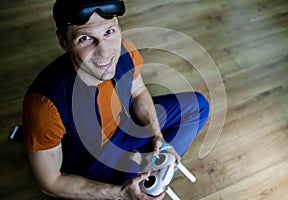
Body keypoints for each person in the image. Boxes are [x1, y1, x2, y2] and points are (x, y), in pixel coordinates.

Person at [22, 0, 210, 199]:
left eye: (109, 32)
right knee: (129, 175)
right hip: (92, 157)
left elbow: (138, 92)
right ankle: (137, 182)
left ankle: (155, 170)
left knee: (197, 106)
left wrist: (158, 138)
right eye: (85, 38)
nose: (105, 52)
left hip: (123, 128)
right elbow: (50, 182)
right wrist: (120, 193)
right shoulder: (44, 107)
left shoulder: (124, 50)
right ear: (63, 42)